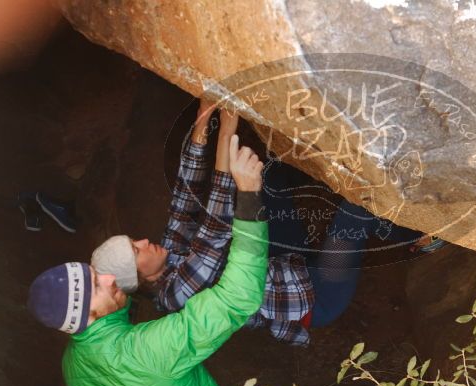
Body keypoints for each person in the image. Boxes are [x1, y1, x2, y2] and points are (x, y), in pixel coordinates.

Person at [27, 136, 271, 386]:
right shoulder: (145, 350)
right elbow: (238, 297)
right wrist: (249, 197)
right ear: (87, 314)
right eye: (98, 284)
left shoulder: (74, 365)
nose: (108, 277)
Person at [92, 99, 439, 347]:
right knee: (353, 211)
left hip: (283, 262)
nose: (142, 241)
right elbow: (214, 228)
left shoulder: (168, 255)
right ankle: (415, 238)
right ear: (142, 278)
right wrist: (227, 129)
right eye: (135, 250)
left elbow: (185, 198)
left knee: (269, 175)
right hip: (314, 298)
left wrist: (203, 121)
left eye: (133, 240)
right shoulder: (178, 294)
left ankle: (329, 174)